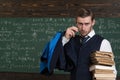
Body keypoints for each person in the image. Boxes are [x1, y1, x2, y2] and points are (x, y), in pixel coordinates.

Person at [40, 8, 117, 80]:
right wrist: (65, 39)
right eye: (80, 24)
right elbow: (58, 60)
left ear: (93, 22)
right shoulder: (71, 40)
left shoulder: (103, 43)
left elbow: (111, 72)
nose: (83, 28)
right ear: (76, 22)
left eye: (87, 24)